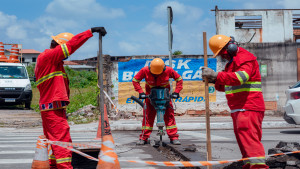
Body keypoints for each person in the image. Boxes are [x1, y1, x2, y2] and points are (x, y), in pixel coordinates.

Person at [35, 27, 106, 169]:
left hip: (52, 108)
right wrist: (90, 31)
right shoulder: (49, 57)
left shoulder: (52, 62)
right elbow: (71, 45)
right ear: (59, 46)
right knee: (63, 143)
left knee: (56, 143)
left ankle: (56, 166)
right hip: (53, 109)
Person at [202, 35, 269, 169]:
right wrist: (214, 80)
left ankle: (258, 167)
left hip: (249, 106)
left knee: (249, 140)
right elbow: (227, 84)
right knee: (244, 141)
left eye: (223, 53)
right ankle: (249, 166)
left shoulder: (245, 58)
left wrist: (216, 75)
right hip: (239, 107)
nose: (224, 57)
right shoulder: (231, 64)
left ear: (231, 47)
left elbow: (241, 78)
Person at [132, 58, 183, 145]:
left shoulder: (168, 70)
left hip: (165, 98)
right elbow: (135, 80)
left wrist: (176, 92)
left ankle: (174, 137)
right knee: (147, 118)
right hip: (150, 98)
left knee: (169, 117)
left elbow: (179, 79)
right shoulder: (145, 70)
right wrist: (140, 92)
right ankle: (144, 138)